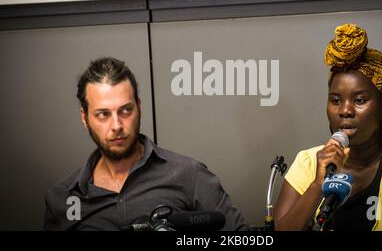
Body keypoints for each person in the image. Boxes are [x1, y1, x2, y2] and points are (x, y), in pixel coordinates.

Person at [274, 24, 382, 231]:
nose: (345, 111)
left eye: (359, 100)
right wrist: (318, 185)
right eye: (336, 100)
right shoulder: (308, 162)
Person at [44, 57, 248, 231]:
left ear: (139, 107)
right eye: (103, 114)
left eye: (125, 110)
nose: (116, 125)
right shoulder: (62, 198)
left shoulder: (189, 175)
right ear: (85, 117)